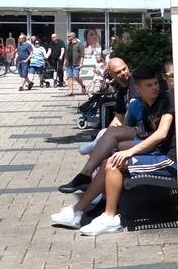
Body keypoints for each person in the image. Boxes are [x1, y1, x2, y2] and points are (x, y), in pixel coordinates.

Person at [51, 66, 175, 235]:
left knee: (113, 163)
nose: (155, 87)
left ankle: (109, 217)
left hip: (168, 159)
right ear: (138, 89)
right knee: (108, 157)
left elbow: (161, 134)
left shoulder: (167, 100)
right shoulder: (145, 105)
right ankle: (77, 210)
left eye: (155, 83)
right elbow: (141, 131)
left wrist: (129, 152)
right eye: (149, 85)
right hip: (155, 151)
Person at [57, 57, 135, 193]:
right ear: (110, 74)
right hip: (130, 131)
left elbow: (131, 117)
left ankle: (89, 181)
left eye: (124, 69)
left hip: (139, 132)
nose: (123, 73)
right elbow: (118, 118)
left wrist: (108, 135)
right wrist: (105, 133)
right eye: (118, 72)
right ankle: (94, 187)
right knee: (102, 143)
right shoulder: (123, 90)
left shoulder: (136, 84)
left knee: (106, 151)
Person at [65, 32, 87, 96]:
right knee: (69, 77)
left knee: (76, 76)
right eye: (68, 36)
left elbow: (82, 55)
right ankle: (70, 91)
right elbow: (66, 55)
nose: (68, 38)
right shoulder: (68, 45)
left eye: (69, 36)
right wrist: (64, 64)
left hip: (76, 63)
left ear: (73, 36)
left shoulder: (79, 44)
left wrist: (81, 63)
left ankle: (82, 85)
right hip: (68, 64)